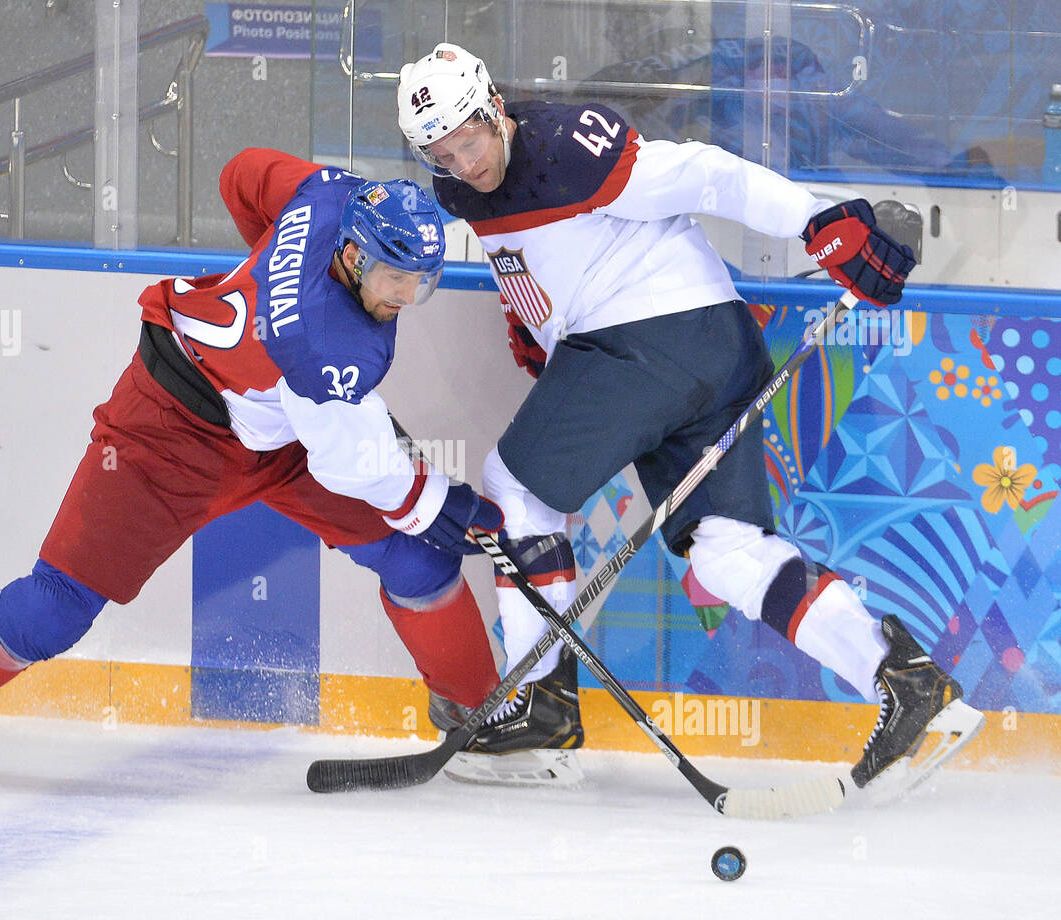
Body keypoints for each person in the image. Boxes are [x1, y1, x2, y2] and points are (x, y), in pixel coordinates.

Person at [395, 43, 985, 793]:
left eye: (468, 139)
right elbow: (540, 250)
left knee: (515, 492)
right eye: (440, 154)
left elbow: (707, 172)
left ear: (492, 109)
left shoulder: (565, 145)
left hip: (647, 339)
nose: (463, 162)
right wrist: (535, 317)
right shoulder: (461, 189)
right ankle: (907, 684)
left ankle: (540, 710)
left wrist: (817, 219)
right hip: (711, 346)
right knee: (724, 551)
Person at [0, 148, 505, 771]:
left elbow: (240, 175)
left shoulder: (328, 195)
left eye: (422, 281)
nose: (406, 296)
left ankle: (479, 713)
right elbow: (350, 466)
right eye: (396, 277)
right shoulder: (327, 344)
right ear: (355, 254)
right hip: (166, 435)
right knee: (55, 609)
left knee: (418, 558)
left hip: (280, 434)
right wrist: (436, 501)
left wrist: (269, 270)